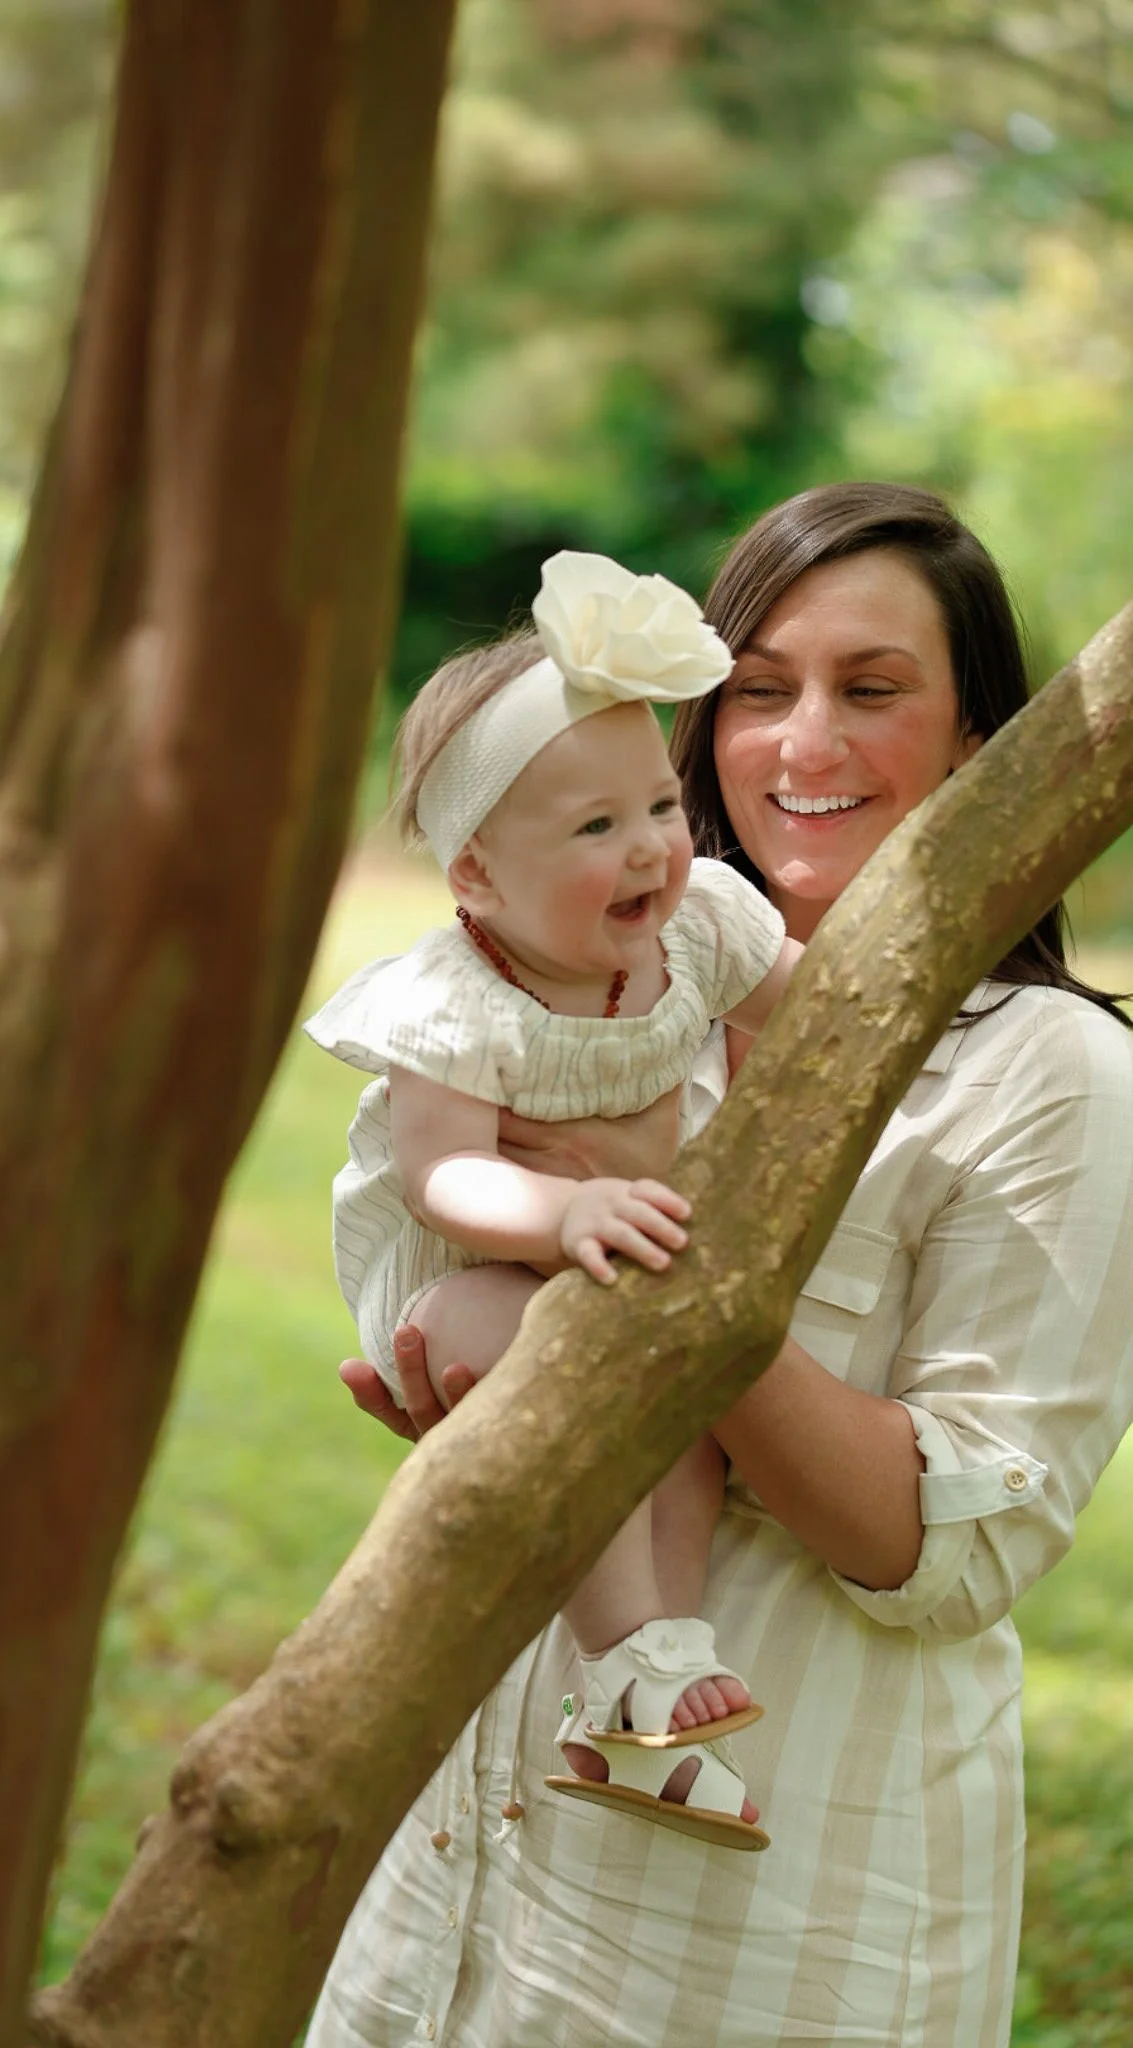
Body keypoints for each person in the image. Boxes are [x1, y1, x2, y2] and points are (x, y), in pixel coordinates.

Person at [306, 482, 1133, 2048]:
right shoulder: (600, 1002)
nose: (801, 743)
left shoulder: (1050, 1076)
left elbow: (951, 1547)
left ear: (981, 744)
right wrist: (492, 1390)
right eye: (759, 690)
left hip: (764, 1928)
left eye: (871, 691)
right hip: (462, 1866)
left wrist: (682, 1302)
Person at [305, 549, 801, 1847]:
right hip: (457, 1281)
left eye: (657, 806)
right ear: (476, 879)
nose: (650, 849)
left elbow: (821, 1012)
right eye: (594, 829)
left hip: (604, 1259)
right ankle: (628, 1648)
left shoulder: (699, 927)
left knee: (679, 1410)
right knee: (550, 1358)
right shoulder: (458, 1003)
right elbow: (446, 1176)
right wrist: (560, 1216)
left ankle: (641, 1688)